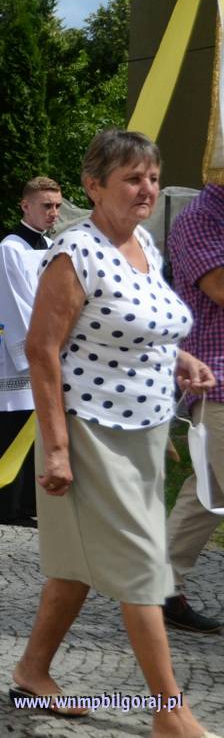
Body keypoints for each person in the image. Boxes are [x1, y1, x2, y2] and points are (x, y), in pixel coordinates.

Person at [12, 129, 215, 735]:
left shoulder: (144, 246)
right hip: (91, 432)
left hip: (144, 431)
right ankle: (169, 713)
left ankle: (32, 673)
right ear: (94, 186)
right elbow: (42, 349)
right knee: (143, 568)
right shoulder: (75, 252)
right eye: (132, 178)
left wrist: (179, 360)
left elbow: (137, 327)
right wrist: (56, 448)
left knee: (75, 566)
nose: (147, 188)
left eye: (152, 177)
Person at [0, 177, 63, 528]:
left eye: (57, 206)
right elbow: (15, 307)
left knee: (34, 430)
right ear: (25, 206)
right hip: (18, 357)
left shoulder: (50, 246)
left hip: (46, 347)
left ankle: (29, 503)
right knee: (11, 429)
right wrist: (36, 353)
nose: (53, 212)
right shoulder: (10, 249)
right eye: (46, 205)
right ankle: (7, 506)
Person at [163, 183, 224, 634]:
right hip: (218, 381)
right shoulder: (201, 217)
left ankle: (160, 588)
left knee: (207, 493)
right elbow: (220, 287)